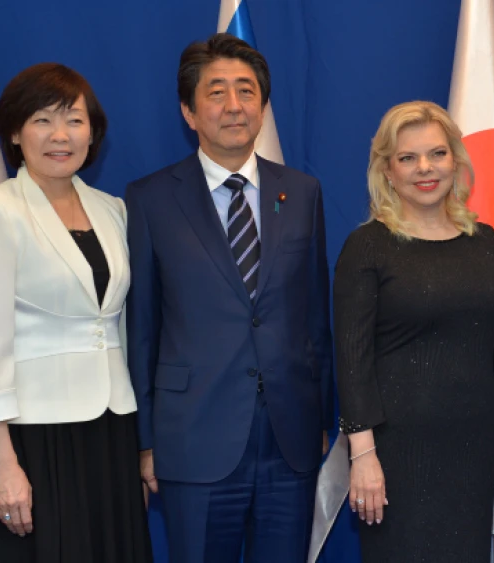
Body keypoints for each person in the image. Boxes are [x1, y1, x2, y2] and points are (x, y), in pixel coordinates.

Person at [124, 33, 333, 563]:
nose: (234, 105)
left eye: (246, 91)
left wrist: (323, 418)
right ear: (189, 111)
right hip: (192, 438)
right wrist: (145, 440)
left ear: (263, 106)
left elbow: (315, 317)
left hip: (290, 438)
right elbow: (142, 328)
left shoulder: (301, 192)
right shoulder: (150, 199)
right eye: (216, 92)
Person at [0, 63, 151, 562]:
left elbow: (119, 324)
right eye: (42, 120)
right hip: (35, 436)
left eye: (74, 120)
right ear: (14, 133)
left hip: (110, 428)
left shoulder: (113, 209)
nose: (60, 135)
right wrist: (2, 463)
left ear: (93, 133)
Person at [333, 101, 494, 562]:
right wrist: (362, 454)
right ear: (387, 171)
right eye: (408, 158)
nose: (425, 168)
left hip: (472, 446)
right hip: (395, 452)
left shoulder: (484, 241)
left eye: (437, 153)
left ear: (455, 159)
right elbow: (352, 359)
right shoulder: (367, 246)